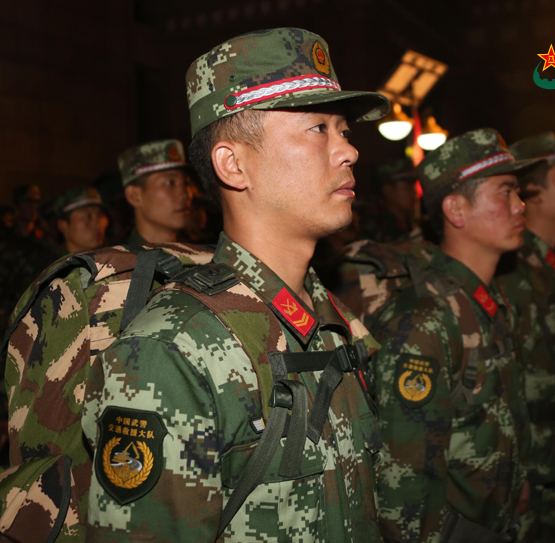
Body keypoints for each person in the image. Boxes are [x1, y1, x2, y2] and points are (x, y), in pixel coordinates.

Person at [81, 28, 390, 541]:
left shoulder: (333, 321)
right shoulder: (171, 350)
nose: (349, 151)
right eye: (318, 128)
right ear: (233, 164)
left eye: (344, 130)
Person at [369, 128, 538, 542]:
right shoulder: (423, 321)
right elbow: (404, 487)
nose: (520, 206)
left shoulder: (484, 299)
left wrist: (517, 481)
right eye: (505, 192)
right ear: (456, 210)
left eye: (518, 192)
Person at [498, 132, 555, 543]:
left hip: (550, 443)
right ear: (536, 196)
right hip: (529, 453)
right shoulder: (514, 271)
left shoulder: (546, 263)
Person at [117, 139, 193, 243]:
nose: (185, 194)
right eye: (170, 183)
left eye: (186, 183)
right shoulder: (120, 254)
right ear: (134, 196)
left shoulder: (199, 252)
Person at [359, 158, 418, 242]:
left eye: (413, 186)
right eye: (406, 187)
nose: (414, 192)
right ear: (388, 190)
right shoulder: (376, 229)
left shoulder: (411, 224)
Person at [53, 187, 110, 254]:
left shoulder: (113, 256)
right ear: (63, 226)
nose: (98, 225)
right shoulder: (53, 260)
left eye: (99, 215)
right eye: (87, 217)